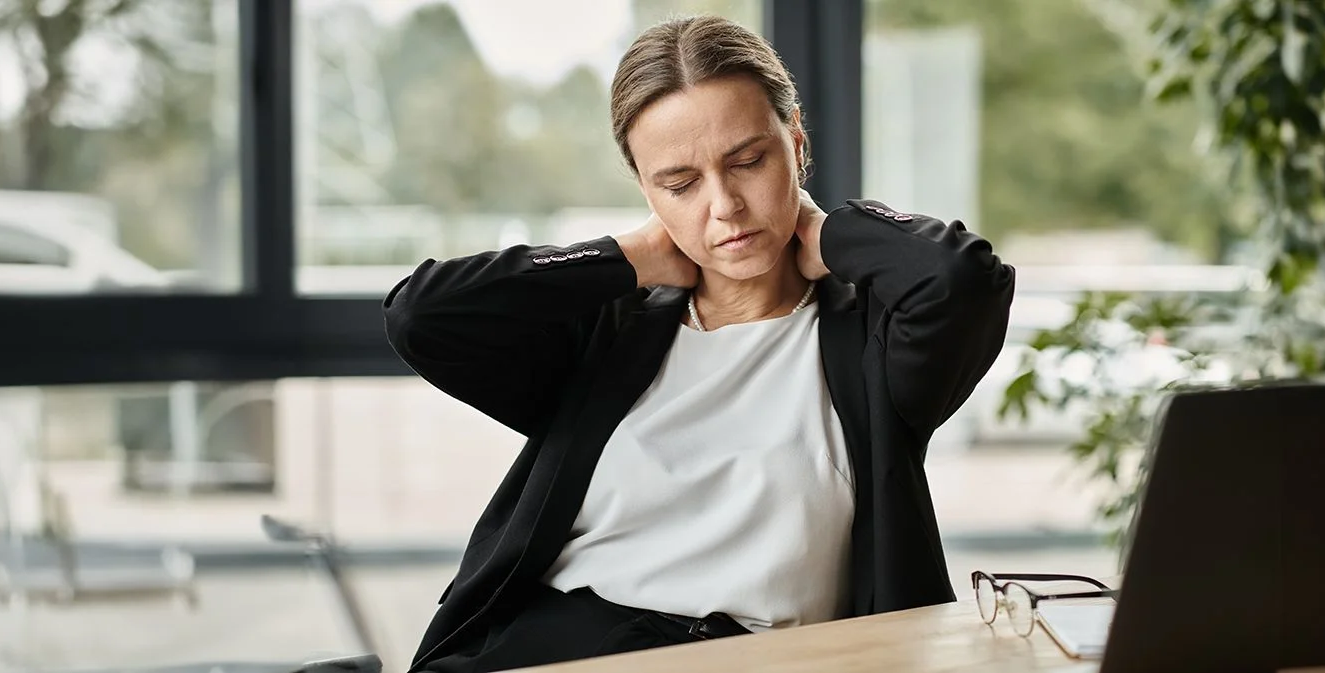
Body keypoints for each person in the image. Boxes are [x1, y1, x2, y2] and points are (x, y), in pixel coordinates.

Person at [383, 14, 1015, 673]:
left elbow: (959, 278)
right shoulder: (608, 335)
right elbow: (420, 317)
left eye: (747, 161)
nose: (724, 206)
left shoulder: (873, 345)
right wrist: (625, 257)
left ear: (795, 141)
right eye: (680, 183)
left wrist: (828, 235)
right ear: (645, 190)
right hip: (556, 649)